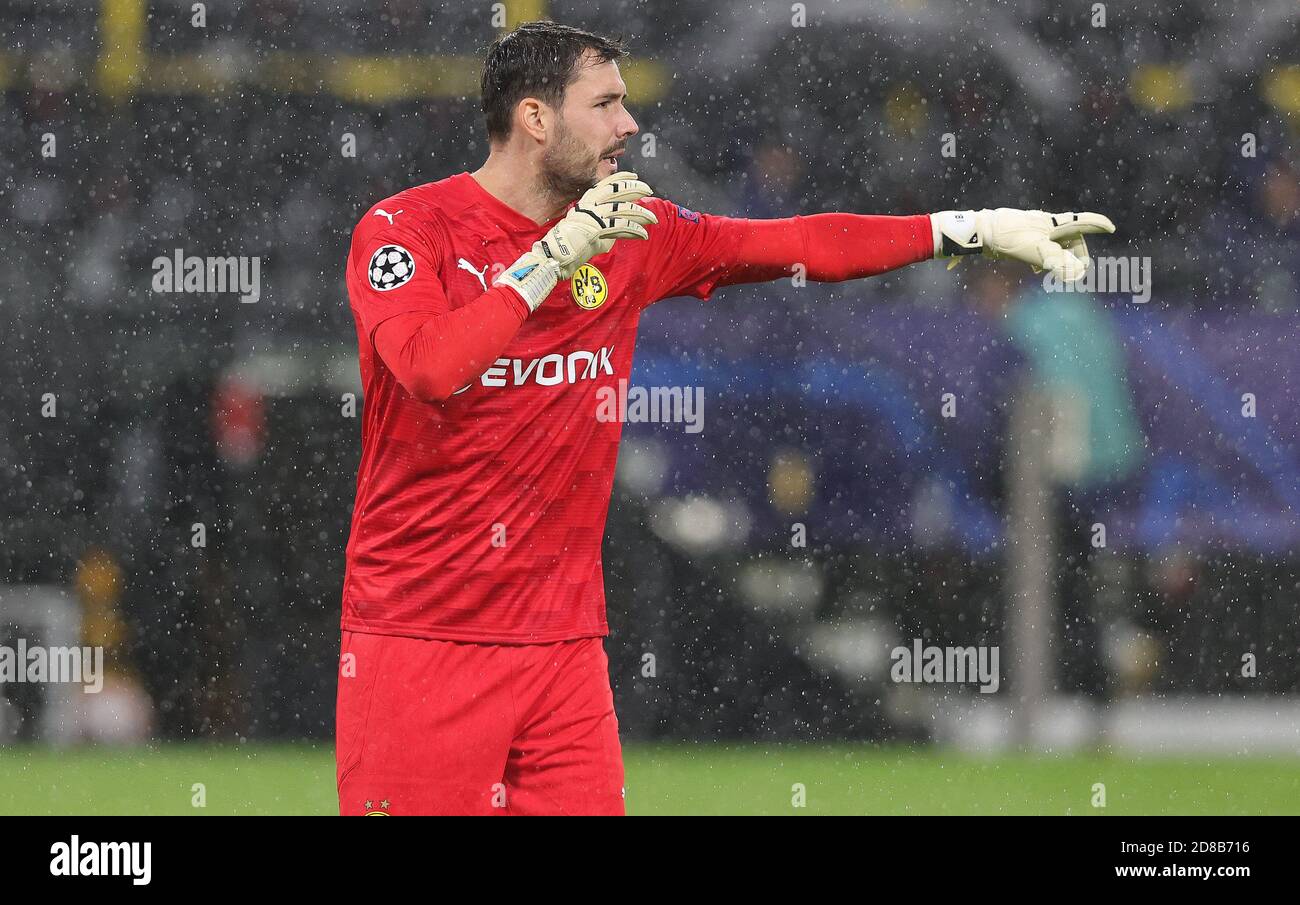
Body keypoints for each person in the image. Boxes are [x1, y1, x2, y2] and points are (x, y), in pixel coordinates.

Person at [336, 19, 1114, 815]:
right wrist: (550, 259)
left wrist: (969, 229)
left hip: (562, 650)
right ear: (536, 119)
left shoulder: (628, 236)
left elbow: (795, 244)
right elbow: (433, 368)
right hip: (420, 640)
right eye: (604, 104)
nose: (628, 125)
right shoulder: (406, 230)